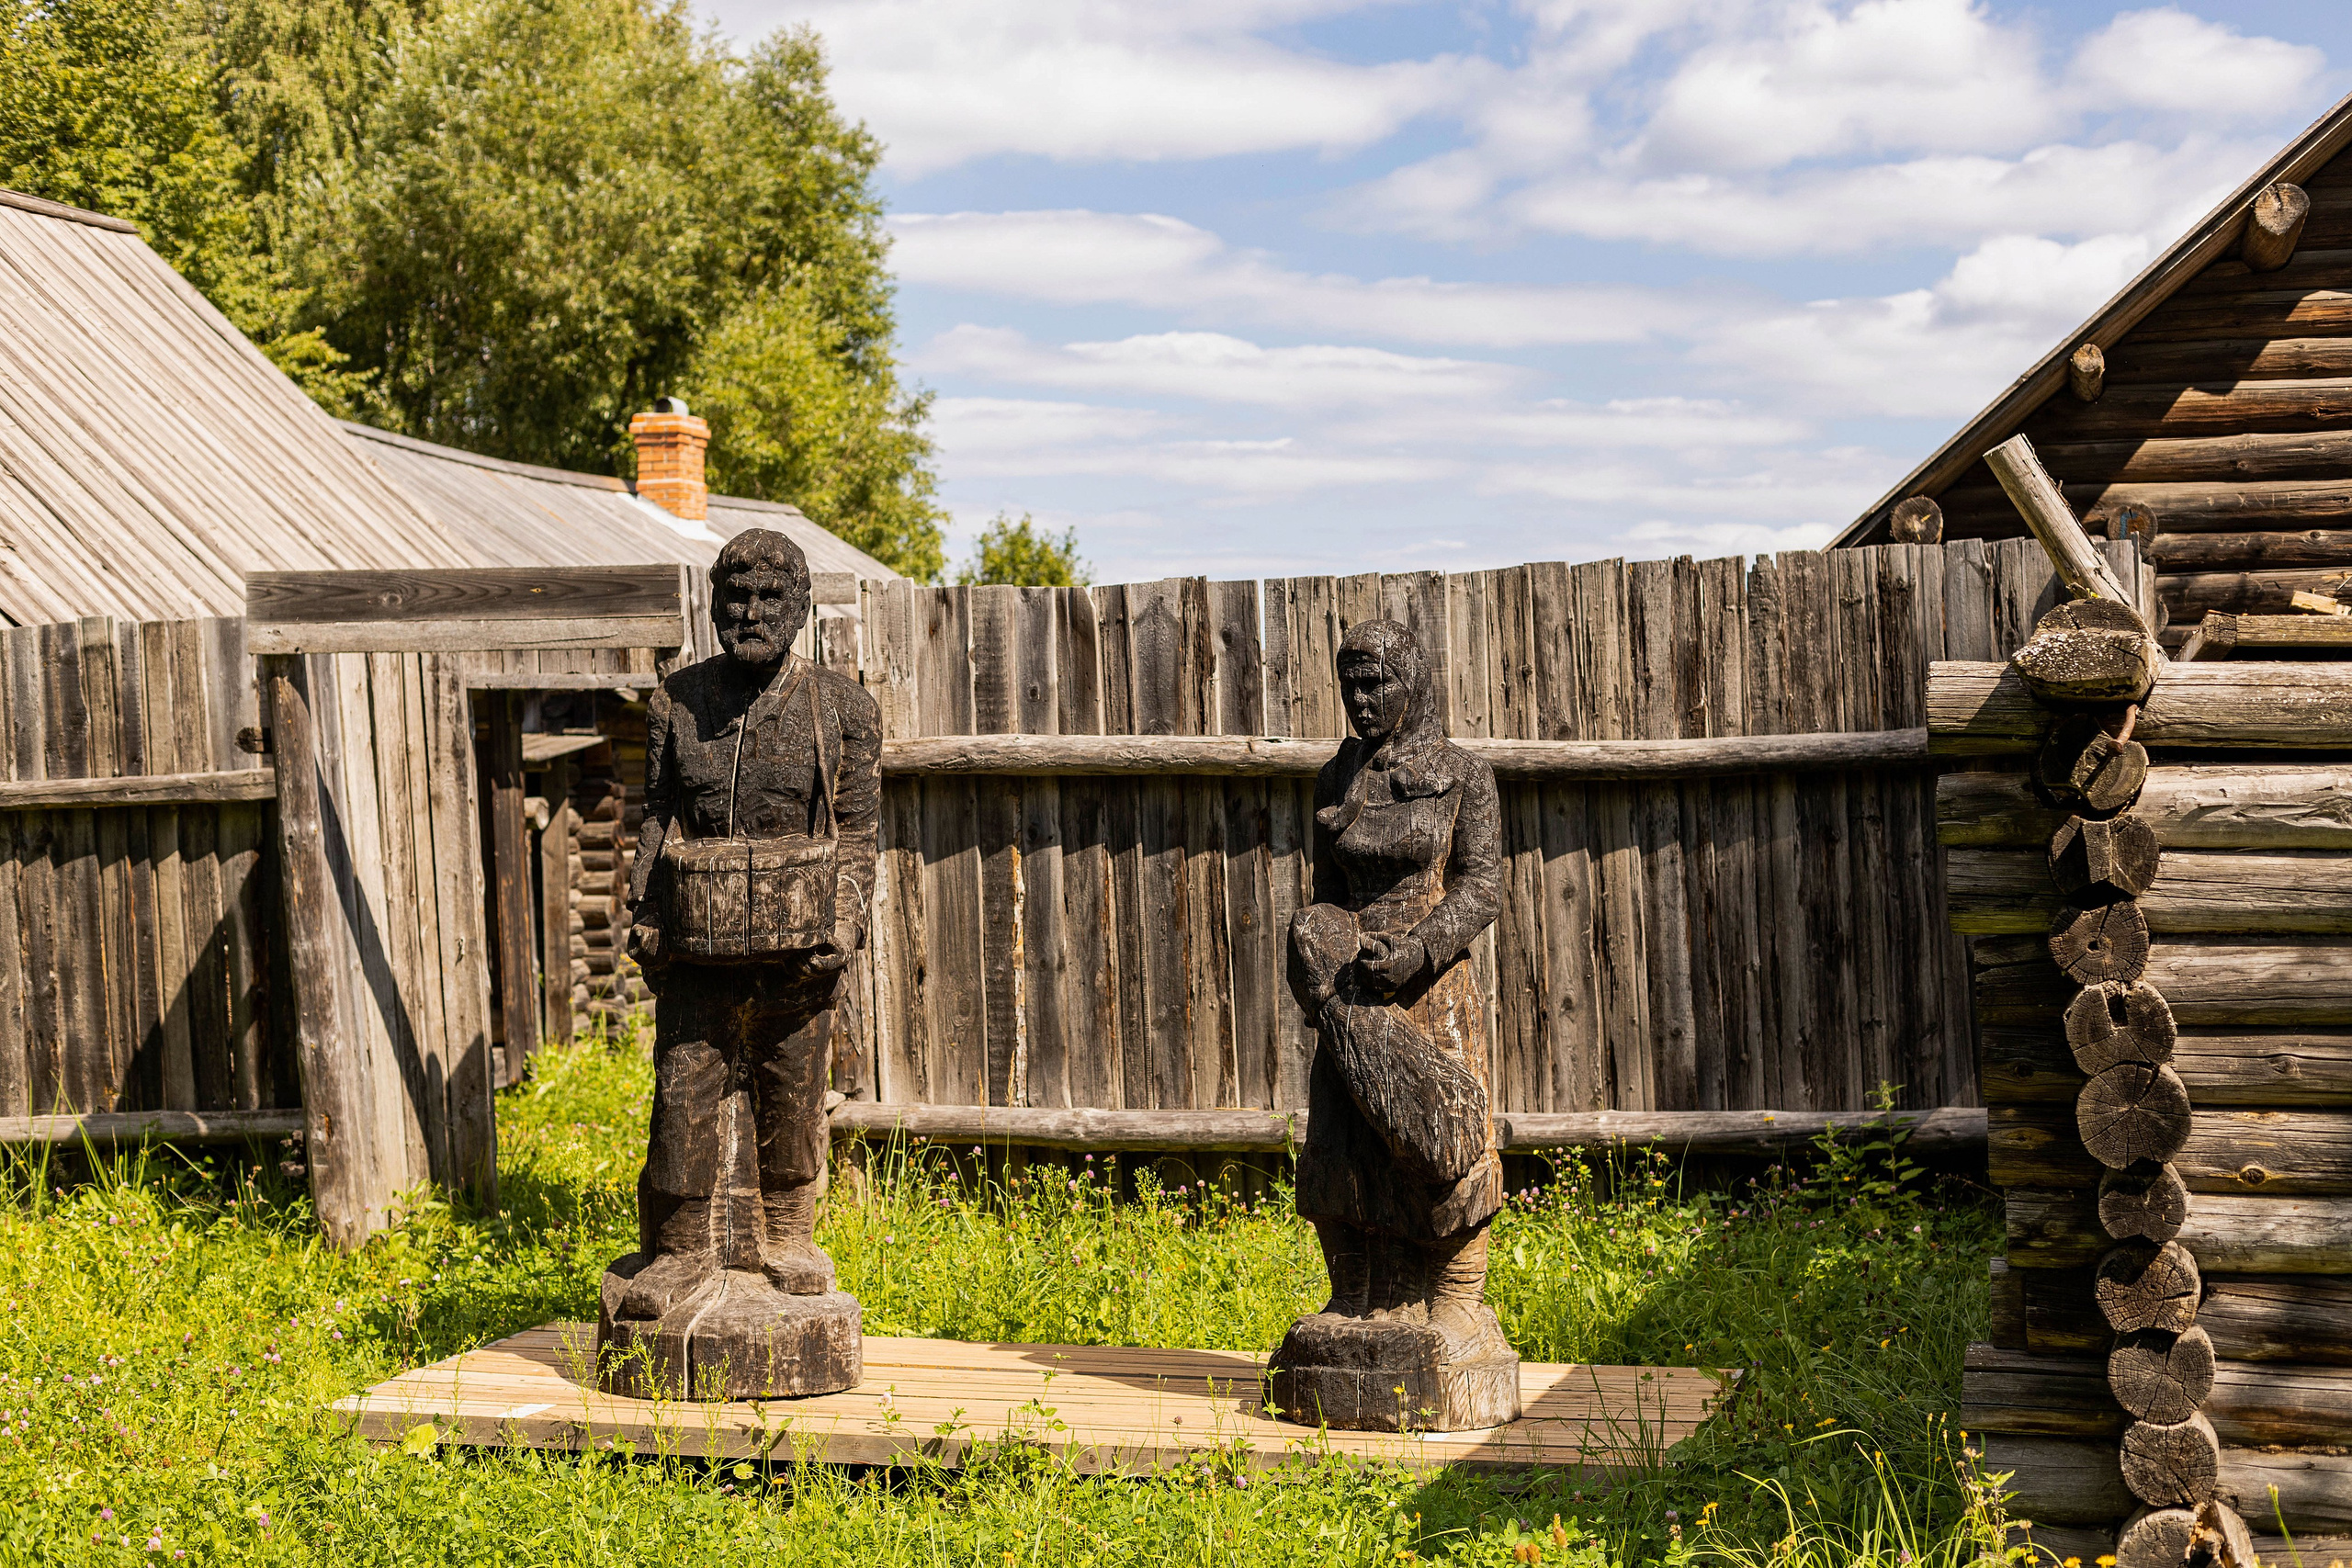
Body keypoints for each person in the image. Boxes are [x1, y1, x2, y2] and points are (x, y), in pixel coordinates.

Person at [607, 528, 880, 1325]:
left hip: (797, 953)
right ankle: (681, 1247)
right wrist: (645, 906)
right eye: (736, 597)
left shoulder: (843, 710)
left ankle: (789, 1235)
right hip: (699, 940)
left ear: (800, 607)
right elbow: (657, 816)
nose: (750, 612)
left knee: (792, 1088)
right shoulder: (675, 702)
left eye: (769, 598)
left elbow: (859, 838)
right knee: (683, 1089)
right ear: (712, 602)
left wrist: (845, 919)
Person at [1284, 617, 1508, 1367]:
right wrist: (1325, 951)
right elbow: (1325, 886)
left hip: (1431, 983)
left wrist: (1418, 949)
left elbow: (1482, 886)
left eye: (1377, 682)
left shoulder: (1463, 773)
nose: (1361, 698)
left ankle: (1456, 1305)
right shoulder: (1335, 778)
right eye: (1350, 683)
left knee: (1442, 1136)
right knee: (1341, 1144)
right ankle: (1354, 1297)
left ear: (1414, 682)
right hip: (1351, 981)